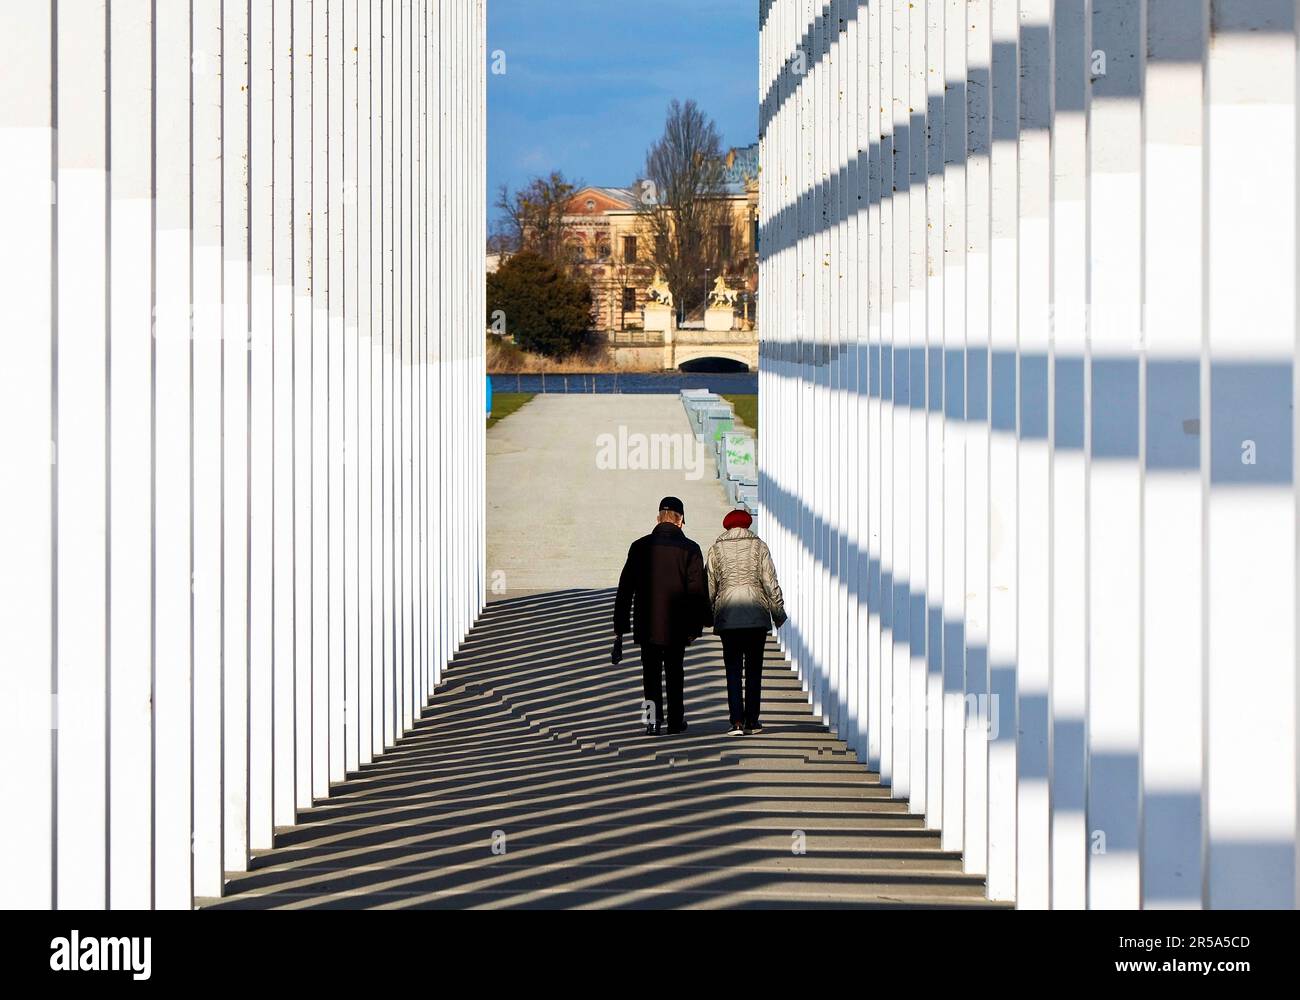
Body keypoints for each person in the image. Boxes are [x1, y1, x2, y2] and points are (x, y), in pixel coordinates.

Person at [613, 496, 712, 736]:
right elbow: (697, 590)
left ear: (658, 518)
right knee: (675, 673)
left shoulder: (639, 546)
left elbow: (625, 588)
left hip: (647, 624)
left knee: (650, 675)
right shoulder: (690, 549)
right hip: (677, 625)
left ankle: (652, 722)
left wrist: (620, 627)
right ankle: (676, 722)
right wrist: (701, 621)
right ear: (680, 521)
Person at [705, 508, 787, 736]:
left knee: (732, 670)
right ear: (748, 524)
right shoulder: (759, 547)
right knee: (753, 670)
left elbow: (710, 586)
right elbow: (770, 583)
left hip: (729, 618)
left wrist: (708, 615)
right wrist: (778, 613)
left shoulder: (716, 549)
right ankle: (752, 720)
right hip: (755, 617)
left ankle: (737, 722)